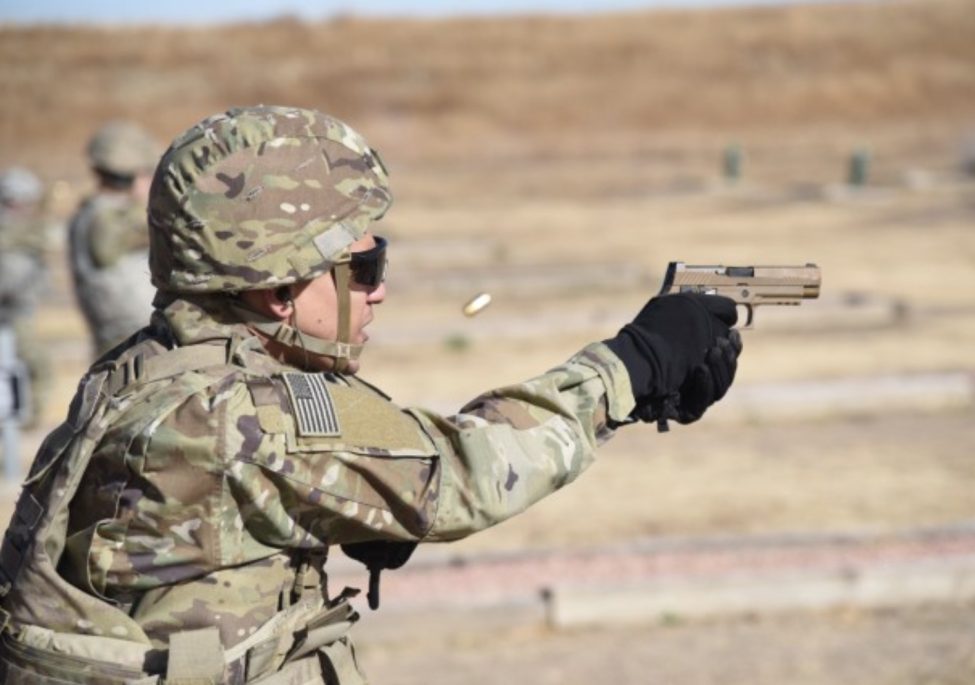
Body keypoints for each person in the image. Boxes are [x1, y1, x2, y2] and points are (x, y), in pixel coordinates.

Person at [0, 106, 742, 684]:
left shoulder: (147, 364)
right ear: (278, 289)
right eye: (363, 265)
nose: (380, 290)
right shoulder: (245, 413)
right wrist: (632, 366)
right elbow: (465, 472)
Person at [68, 121, 161, 357]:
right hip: (128, 339)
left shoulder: (99, 212)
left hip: (131, 335)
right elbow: (107, 249)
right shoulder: (104, 215)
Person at [0, 167, 52, 427]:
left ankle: (30, 419)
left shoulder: (31, 231)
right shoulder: (13, 230)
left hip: (19, 313)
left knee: (36, 365)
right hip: (9, 315)